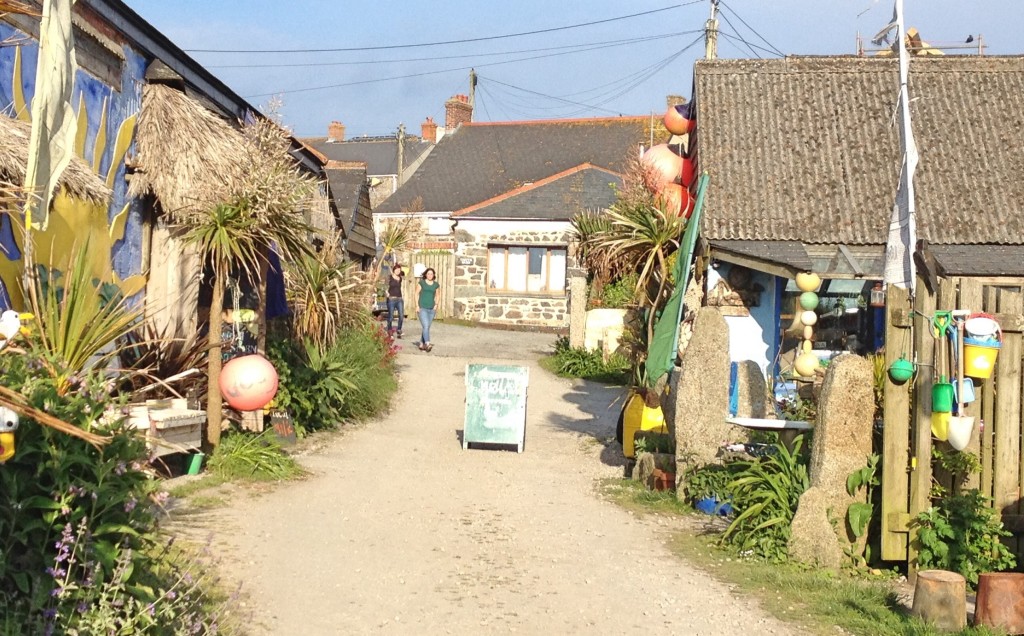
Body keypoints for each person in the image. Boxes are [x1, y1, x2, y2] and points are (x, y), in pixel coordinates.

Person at [417, 267, 440, 352]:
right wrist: (416, 305)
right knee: (426, 326)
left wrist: (436, 305)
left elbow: (438, 295)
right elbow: (416, 294)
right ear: (426, 275)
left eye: (431, 274)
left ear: (433, 275)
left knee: (426, 327)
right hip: (422, 307)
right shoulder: (421, 283)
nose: (430, 275)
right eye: (428, 273)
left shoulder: (436, 285)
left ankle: (421, 343)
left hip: (431, 308)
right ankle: (427, 343)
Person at [385, 263, 405, 338]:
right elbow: (385, 286)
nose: (398, 271)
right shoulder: (389, 277)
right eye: (396, 269)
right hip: (391, 299)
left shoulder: (400, 279)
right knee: (390, 316)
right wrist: (387, 293)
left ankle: (399, 330)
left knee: (401, 315)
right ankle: (389, 330)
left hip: (399, 299)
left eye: (399, 270)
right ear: (394, 270)